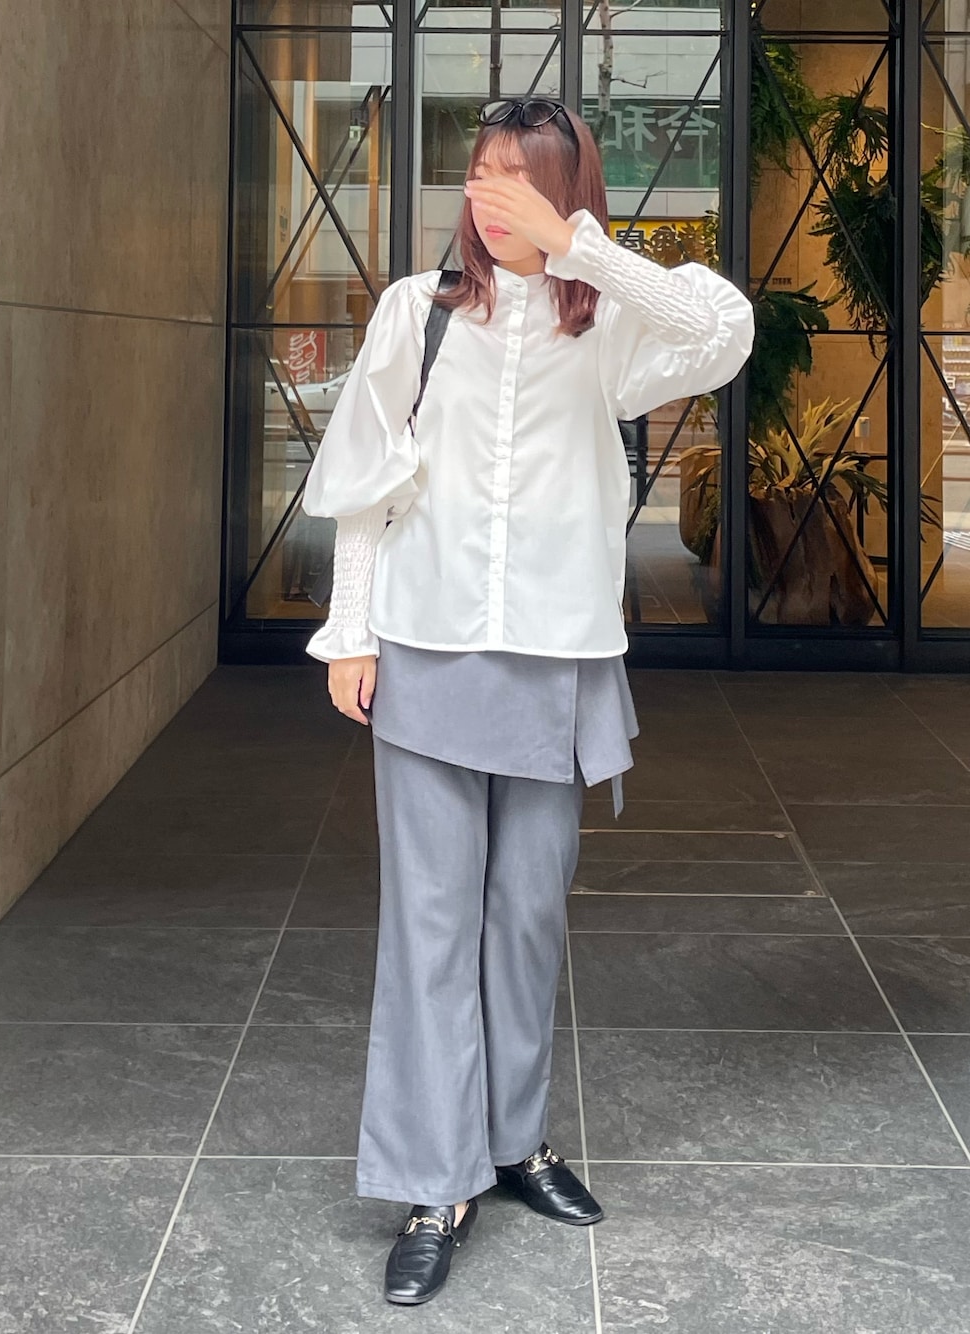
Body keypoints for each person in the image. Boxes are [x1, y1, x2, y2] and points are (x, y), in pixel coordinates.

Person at [301, 96, 754, 1306]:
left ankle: (512, 1141)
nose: (492, 192)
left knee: (525, 917)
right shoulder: (417, 312)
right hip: (427, 645)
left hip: (557, 656)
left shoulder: (604, 326)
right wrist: (351, 631)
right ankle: (433, 1180)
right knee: (430, 919)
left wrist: (578, 250)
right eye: (482, 171)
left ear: (565, 192)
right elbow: (369, 484)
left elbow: (726, 326)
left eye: (523, 176)